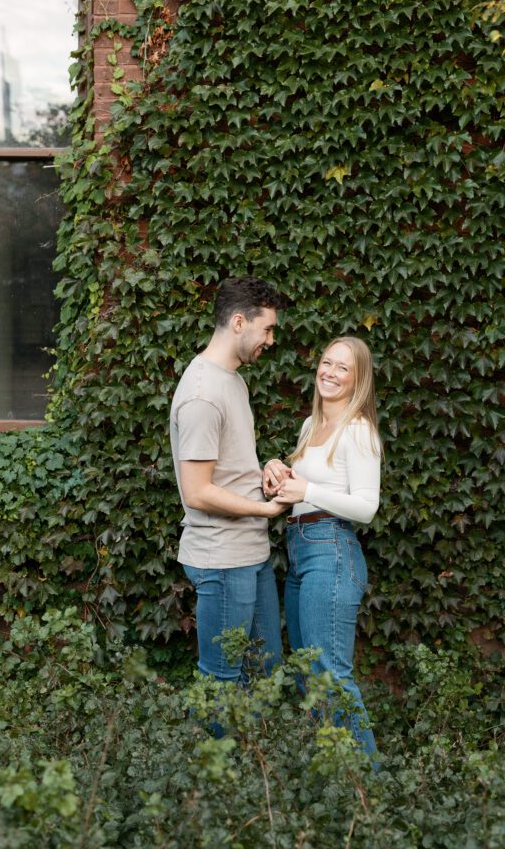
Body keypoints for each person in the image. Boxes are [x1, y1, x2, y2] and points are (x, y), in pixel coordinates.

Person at [263, 336, 381, 760]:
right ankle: (333, 784)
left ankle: (370, 791)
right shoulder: (311, 426)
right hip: (301, 551)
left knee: (329, 675)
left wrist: (307, 487)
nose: (329, 372)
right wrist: (277, 472)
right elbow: (301, 493)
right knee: (309, 676)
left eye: (342, 368)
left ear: (358, 380)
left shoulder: (359, 430)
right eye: (326, 363)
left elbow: (367, 507)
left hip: (331, 551)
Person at [170, 276, 287, 684]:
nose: (271, 340)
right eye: (267, 328)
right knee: (223, 679)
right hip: (221, 560)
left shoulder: (232, 381)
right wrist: (265, 508)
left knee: (264, 671)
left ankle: (254, 751)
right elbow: (198, 491)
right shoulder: (202, 394)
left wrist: (265, 470)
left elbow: (229, 469)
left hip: (249, 554)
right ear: (239, 322)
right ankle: (218, 752)